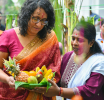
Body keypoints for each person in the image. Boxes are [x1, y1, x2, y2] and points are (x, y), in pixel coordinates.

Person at [0, 0, 61, 100]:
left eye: (44, 20)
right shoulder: (8, 36)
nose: (39, 25)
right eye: (35, 19)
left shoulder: (50, 38)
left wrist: (44, 82)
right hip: (12, 94)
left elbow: (55, 67)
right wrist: (7, 79)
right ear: (26, 15)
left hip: (42, 94)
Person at [34, 21, 104, 100]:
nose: (74, 43)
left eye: (79, 40)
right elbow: (58, 81)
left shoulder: (99, 62)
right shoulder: (67, 57)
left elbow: (89, 91)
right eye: (73, 38)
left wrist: (59, 92)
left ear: (91, 43)